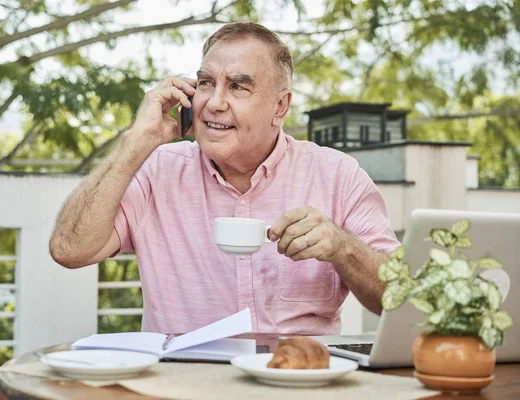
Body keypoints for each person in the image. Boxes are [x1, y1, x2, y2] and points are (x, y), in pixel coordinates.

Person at [49, 22, 400, 335]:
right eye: (205, 83)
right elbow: (69, 250)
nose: (214, 102)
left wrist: (342, 247)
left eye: (237, 87)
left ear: (280, 107)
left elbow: (401, 300)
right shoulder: (158, 170)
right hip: (183, 385)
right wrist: (134, 143)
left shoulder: (338, 174)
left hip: (296, 382)